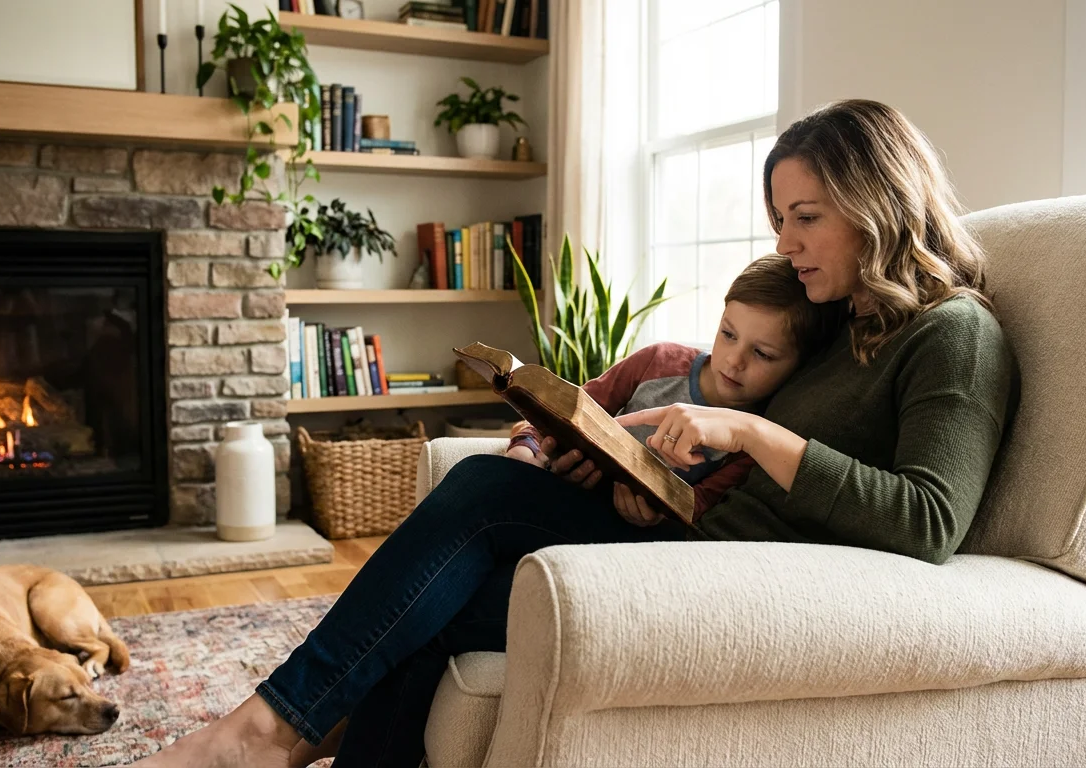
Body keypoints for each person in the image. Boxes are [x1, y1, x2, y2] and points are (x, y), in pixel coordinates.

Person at [131, 98, 1018, 768]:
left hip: (746, 577)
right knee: (435, 609)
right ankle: (281, 736)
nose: (786, 242)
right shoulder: (837, 320)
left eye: (806, 215)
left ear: (877, 197)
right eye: (778, 220)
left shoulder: (955, 332)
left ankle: (260, 732)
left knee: (481, 499)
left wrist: (745, 430)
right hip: (687, 534)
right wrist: (619, 468)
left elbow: (928, 521)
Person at [505, 253, 845, 525]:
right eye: (728, 334)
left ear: (800, 365)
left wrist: (654, 517)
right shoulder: (658, 360)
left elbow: (697, 510)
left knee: (483, 487)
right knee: (486, 480)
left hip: (622, 535)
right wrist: (527, 447)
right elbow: (563, 409)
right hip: (564, 491)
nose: (734, 361)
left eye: (762, 353)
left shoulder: (759, 441)